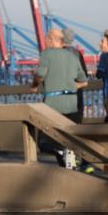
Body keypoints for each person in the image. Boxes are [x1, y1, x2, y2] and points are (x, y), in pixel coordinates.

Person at [32, 28, 89, 170]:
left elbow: (40, 75)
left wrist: (35, 85)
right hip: (75, 101)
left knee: (45, 140)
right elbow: (83, 79)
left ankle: (66, 158)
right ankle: (73, 163)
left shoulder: (48, 55)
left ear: (53, 39)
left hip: (55, 102)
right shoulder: (76, 55)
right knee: (71, 135)